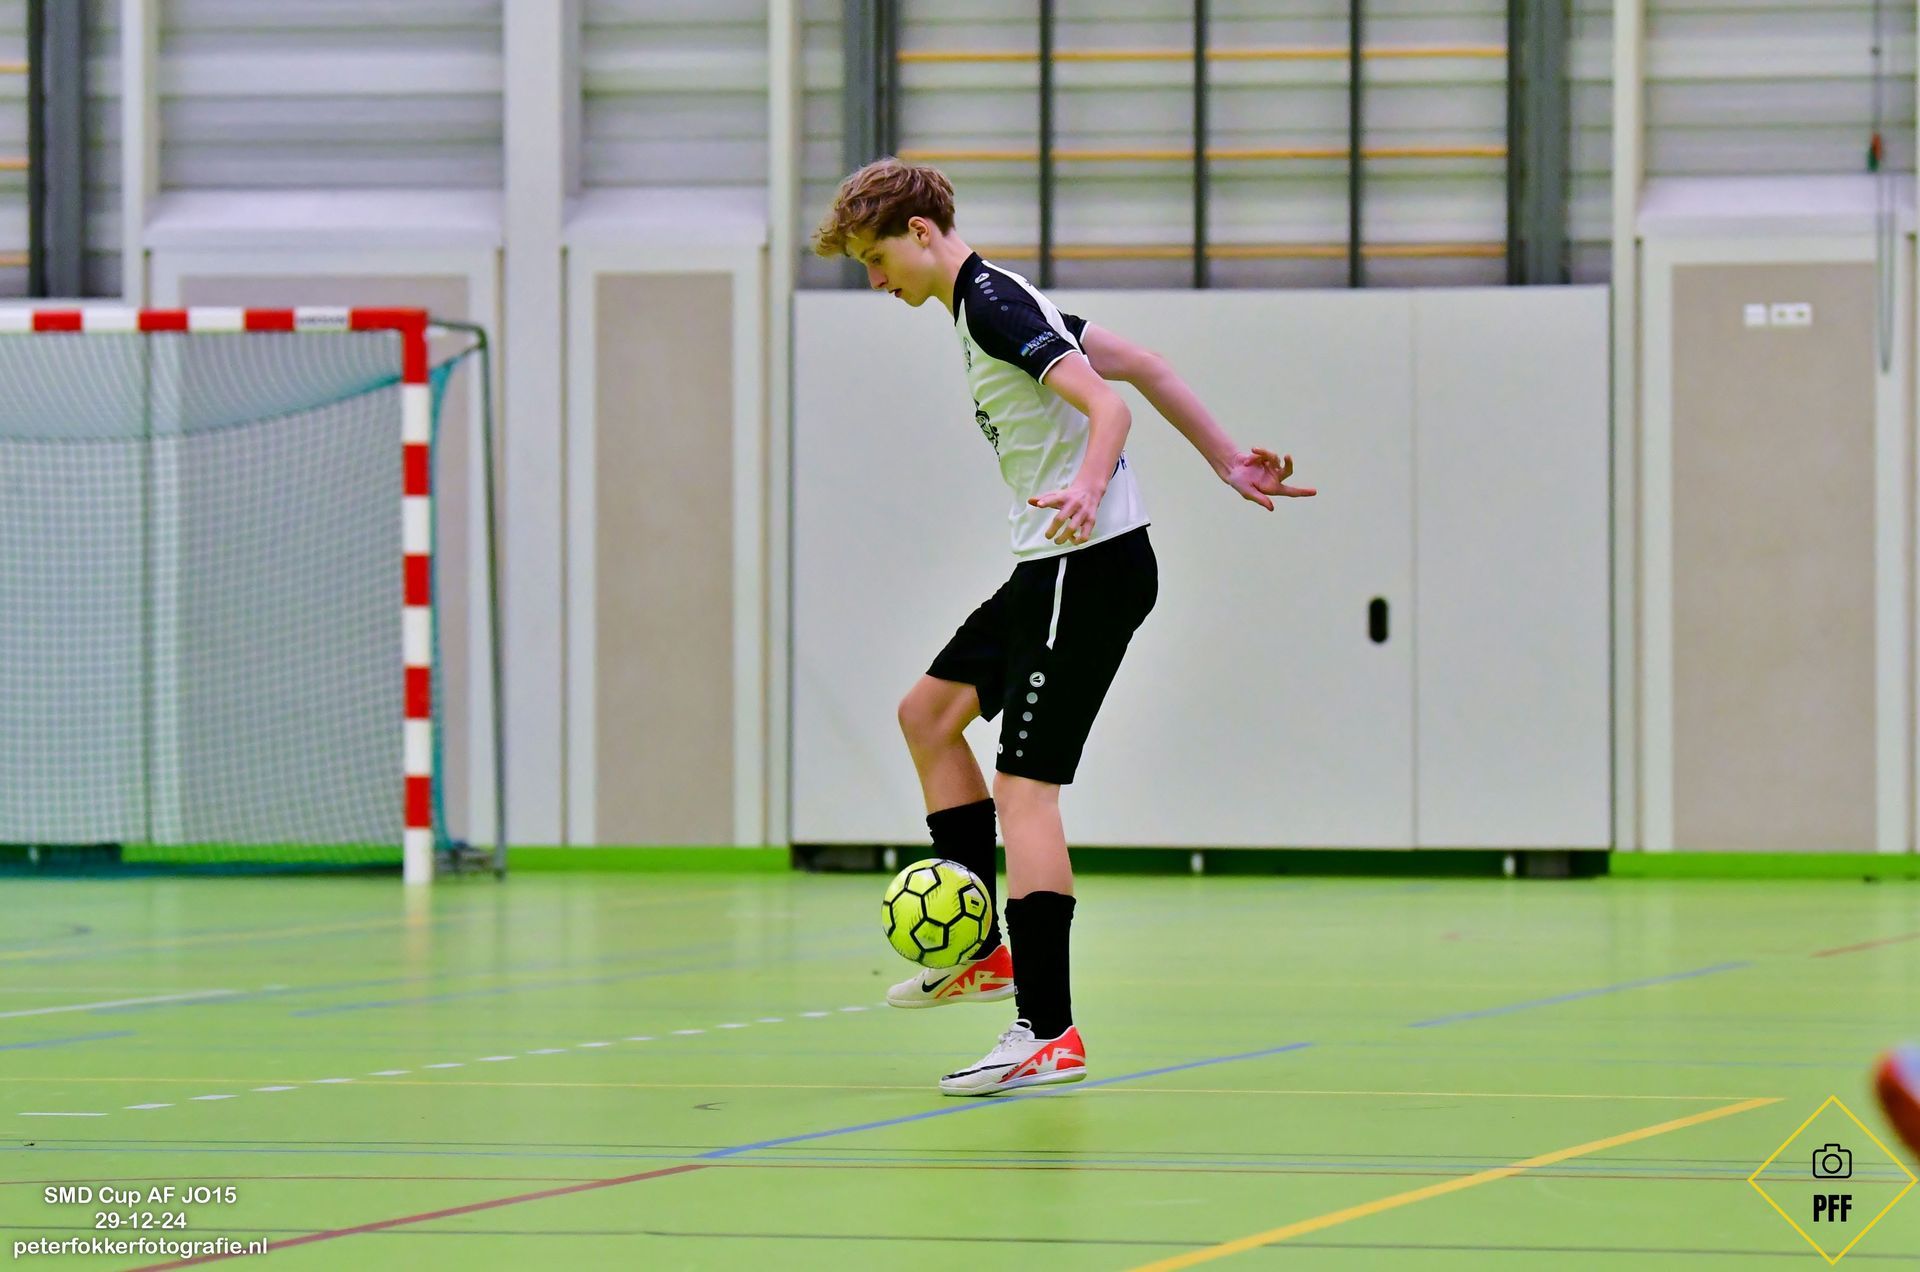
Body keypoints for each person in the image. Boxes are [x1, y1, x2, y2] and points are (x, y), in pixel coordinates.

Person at [813, 158, 1315, 1096]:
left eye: (876, 260)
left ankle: (1047, 1032)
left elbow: (1109, 405)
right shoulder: (993, 301)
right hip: (1051, 568)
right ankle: (980, 952)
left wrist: (1087, 485)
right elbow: (1147, 365)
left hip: (1084, 569)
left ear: (919, 233)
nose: (876, 281)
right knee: (927, 715)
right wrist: (1225, 460)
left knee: (1025, 792)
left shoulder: (995, 306)